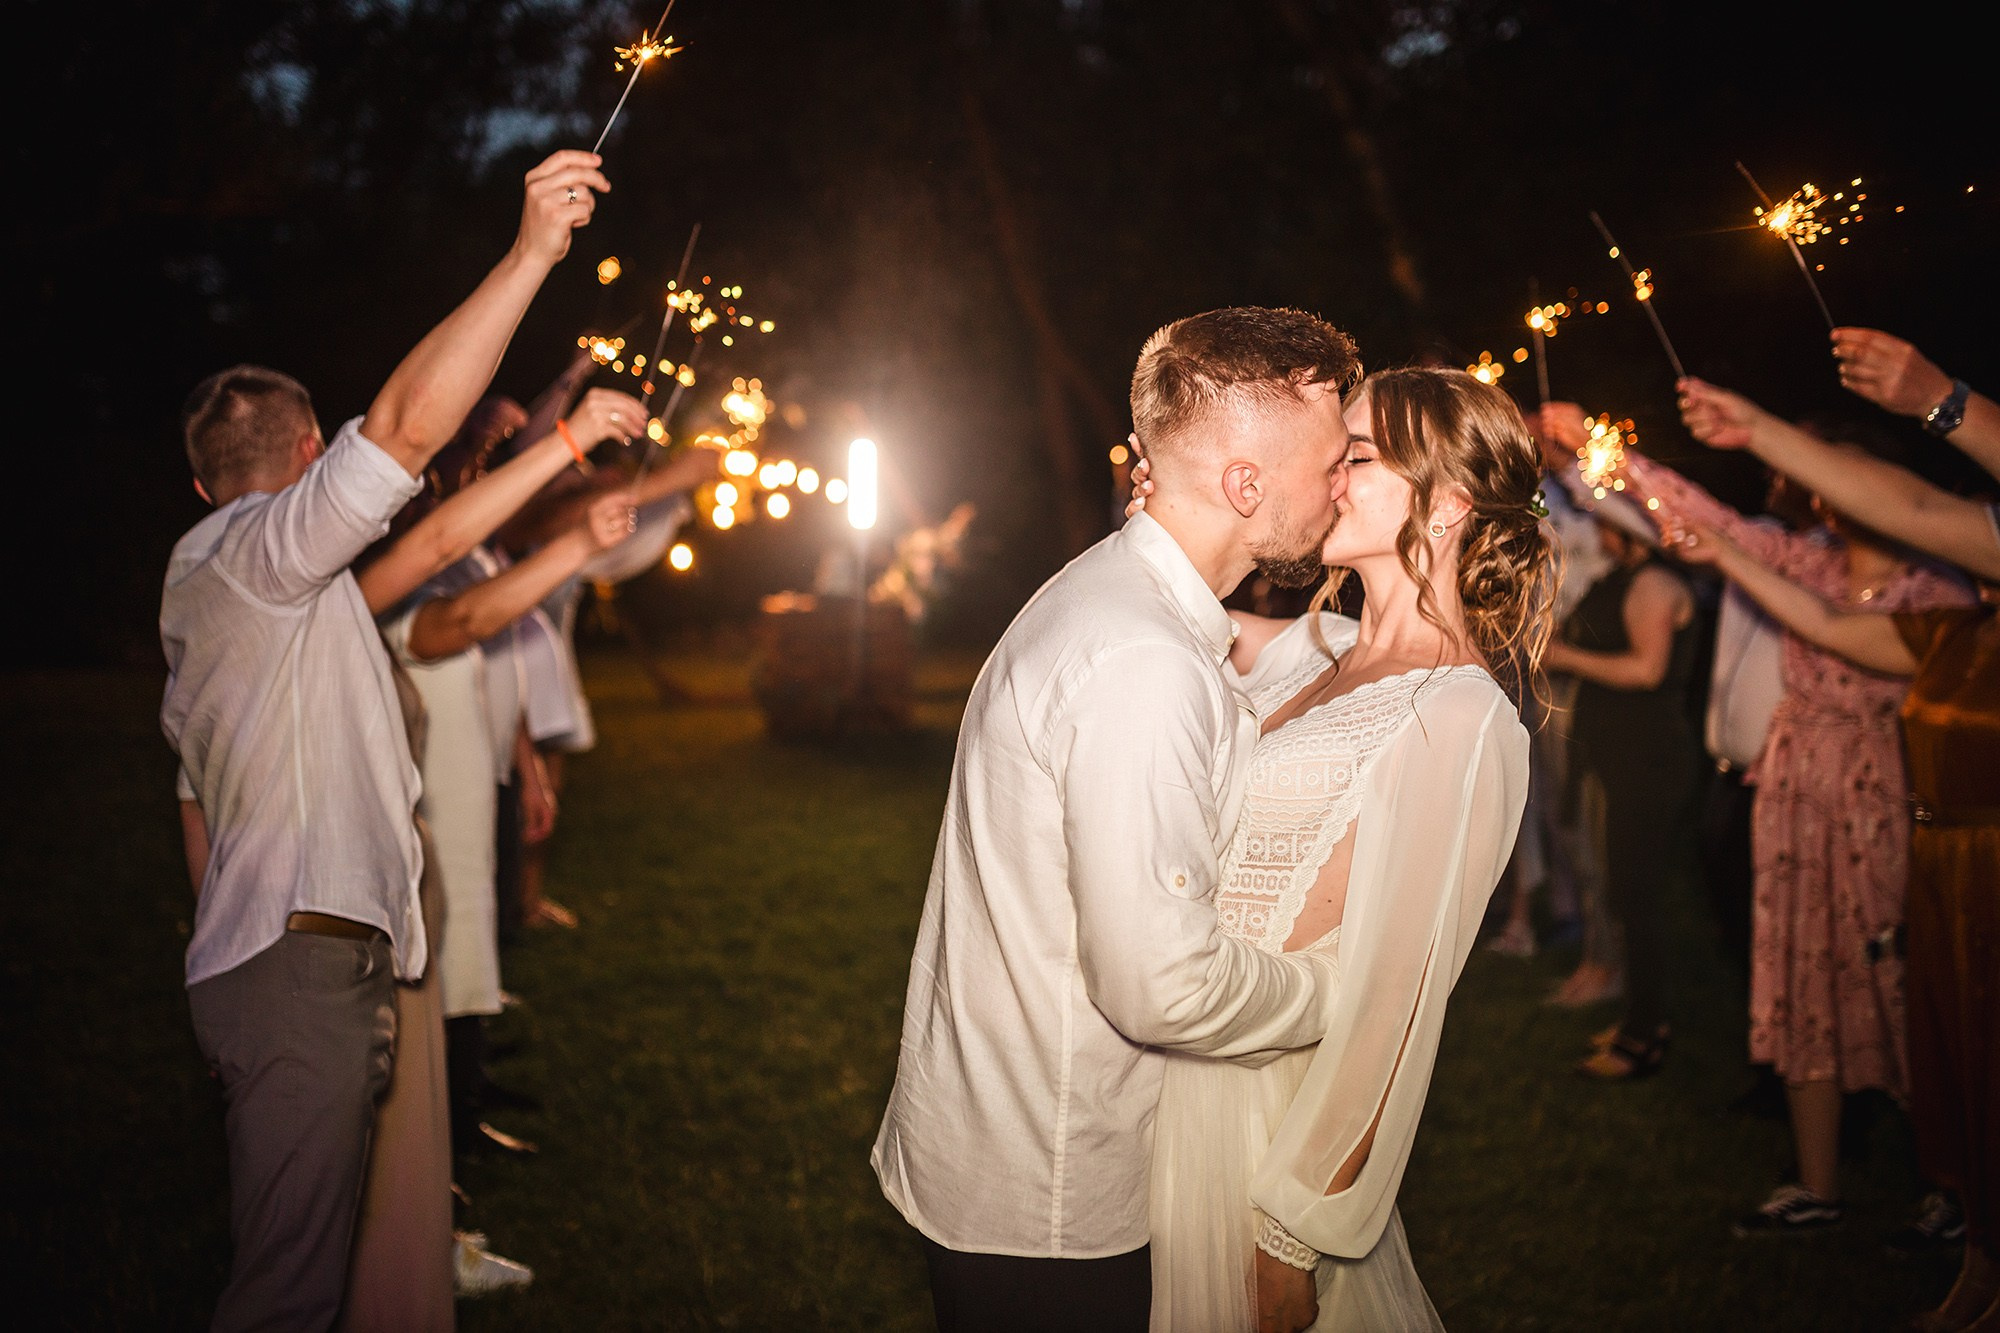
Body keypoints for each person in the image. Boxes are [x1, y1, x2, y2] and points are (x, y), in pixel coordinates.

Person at [163, 148, 609, 1331]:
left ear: (200, 485)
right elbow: (409, 430)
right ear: (312, 457)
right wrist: (529, 256)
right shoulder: (260, 556)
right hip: (300, 970)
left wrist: (565, 459)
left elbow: (426, 541)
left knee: (313, 1279)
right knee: (286, 1299)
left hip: (285, 964)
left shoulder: (235, 600)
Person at [871, 307, 1358, 1333]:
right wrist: (1337, 993)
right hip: (1051, 1195)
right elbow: (1158, 985)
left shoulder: (1117, 593)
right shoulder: (1143, 661)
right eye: (1330, 465)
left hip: (1004, 1141)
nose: (1343, 488)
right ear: (1244, 485)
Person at [1132, 366, 1546, 1331]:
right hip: (1169, 1071)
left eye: (1354, 455)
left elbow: (1398, 1003)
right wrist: (1174, 506)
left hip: (1264, 1117)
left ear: (1448, 503)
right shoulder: (1306, 650)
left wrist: (1294, 1230)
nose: (1326, 472)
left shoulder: (1461, 714)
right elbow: (1160, 607)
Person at [1682, 346, 2000, 1331]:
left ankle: (1954, 1212)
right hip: (1922, 855)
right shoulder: (1941, 620)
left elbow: (1900, 526)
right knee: (1951, 1054)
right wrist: (1730, 479)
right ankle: (1971, 1263)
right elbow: (1818, 608)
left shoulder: (1940, 601)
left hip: (1949, 850)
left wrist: (1937, 399)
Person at [1601, 424, 1971, 1233]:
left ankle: (1954, 1184)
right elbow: (1710, 521)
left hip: (1880, 799)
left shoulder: (1940, 590)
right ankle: (1816, 1182)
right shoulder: (1812, 562)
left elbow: (1834, 629)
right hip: (1794, 793)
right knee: (1801, 969)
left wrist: (1726, 553)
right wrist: (1608, 456)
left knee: (1898, 982)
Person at [1541, 498, 1701, 1077]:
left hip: (1649, 758)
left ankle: (1643, 1036)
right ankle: (1639, 1015)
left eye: (1607, 517)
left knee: (1639, 896)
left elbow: (1646, 669)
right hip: (1616, 755)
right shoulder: (1619, 577)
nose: (1597, 525)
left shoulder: (1655, 583)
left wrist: (1563, 656)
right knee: (1624, 891)